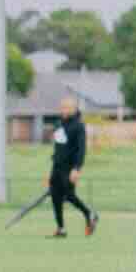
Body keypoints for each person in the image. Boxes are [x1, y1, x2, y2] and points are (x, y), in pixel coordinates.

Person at [42, 94, 97, 236]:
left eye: (67, 107)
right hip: (57, 166)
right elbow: (58, 148)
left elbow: (81, 149)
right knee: (55, 196)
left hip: (70, 168)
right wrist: (51, 171)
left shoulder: (78, 126)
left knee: (69, 195)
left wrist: (77, 169)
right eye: (62, 107)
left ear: (74, 108)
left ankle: (89, 214)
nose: (63, 110)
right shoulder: (59, 124)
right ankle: (61, 228)